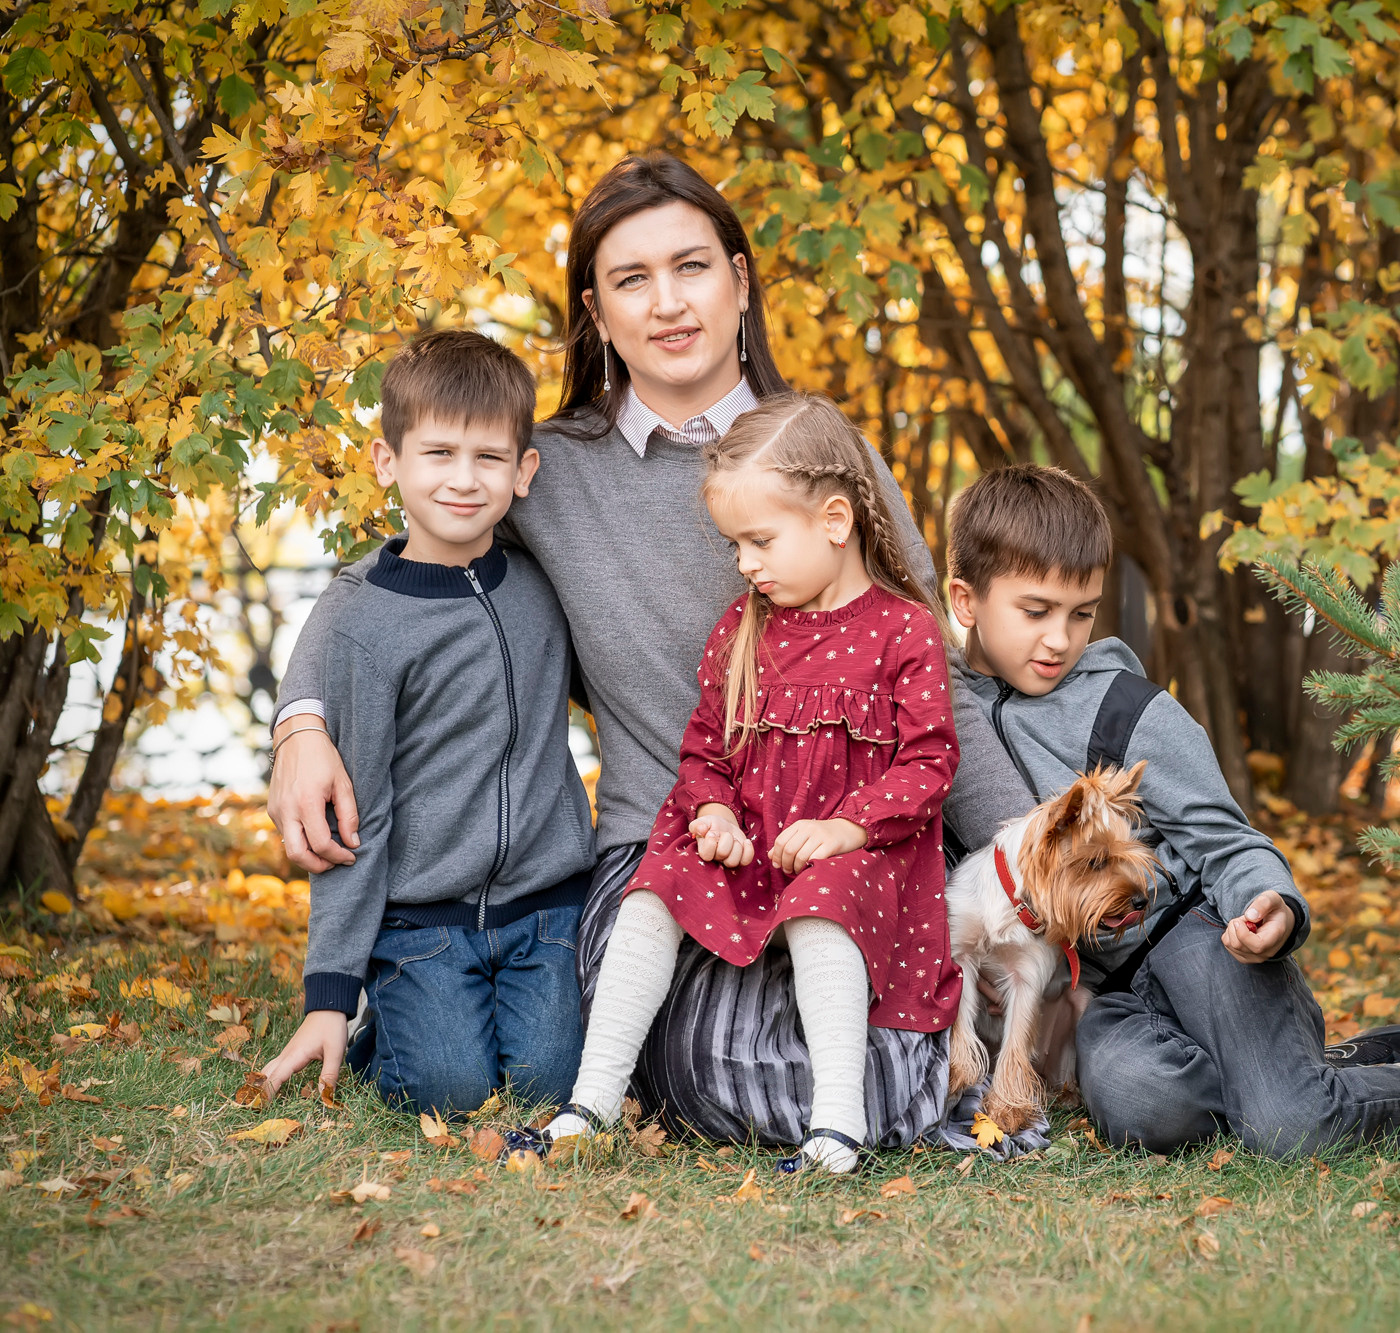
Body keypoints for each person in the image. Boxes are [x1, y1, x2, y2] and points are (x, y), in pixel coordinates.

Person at [267, 153, 1032, 1140]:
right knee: (739, 1072)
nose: (668, 304)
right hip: (665, 850)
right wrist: (301, 720)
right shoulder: (546, 470)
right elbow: (389, 577)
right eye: (632, 280)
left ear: (740, 280)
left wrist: (1035, 854)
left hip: (847, 837)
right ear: (596, 310)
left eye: (692, 267)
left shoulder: (819, 447)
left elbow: (935, 684)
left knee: (984, 1007)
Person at [945, 465, 1400, 1156]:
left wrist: (1273, 903)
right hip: (1112, 993)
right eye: (1036, 611)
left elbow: (1228, 840)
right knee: (1144, 1106)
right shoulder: (942, 710)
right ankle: (1301, 1071)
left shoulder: (1125, 706)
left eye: (1081, 612)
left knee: (1292, 1127)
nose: (1060, 638)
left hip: (1198, 936)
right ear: (965, 601)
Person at [534, 395, 959, 1172]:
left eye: (760, 540)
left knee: (825, 894)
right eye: (736, 544)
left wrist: (847, 826)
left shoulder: (904, 629)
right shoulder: (745, 627)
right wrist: (716, 811)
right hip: (754, 850)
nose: (745, 563)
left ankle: (836, 1124)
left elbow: (929, 764)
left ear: (835, 521)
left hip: (862, 860)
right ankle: (589, 1101)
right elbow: (706, 749)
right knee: (656, 880)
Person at [258, 331, 595, 1115]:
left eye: (488, 457)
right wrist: (329, 992)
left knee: (551, 1083)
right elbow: (354, 810)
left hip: (547, 906)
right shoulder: (362, 622)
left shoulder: (543, 589)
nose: (463, 480)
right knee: (450, 1088)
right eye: (438, 453)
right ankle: (390, 1021)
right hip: (423, 920)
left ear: (524, 470)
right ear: (388, 462)